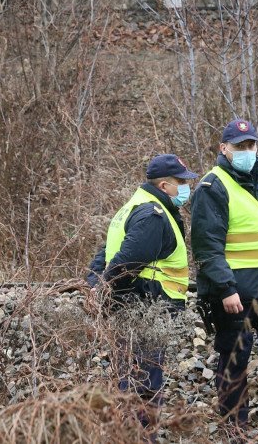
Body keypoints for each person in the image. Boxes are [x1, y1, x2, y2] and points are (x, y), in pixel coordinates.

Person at [189, 118, 258, 436]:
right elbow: (207, 245)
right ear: (224, 148)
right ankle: (235, 430)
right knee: (234, 363)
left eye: (251, 145)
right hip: (235, 294)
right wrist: (225, 287)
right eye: (240, 146)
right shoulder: (213, 185)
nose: (248, 151)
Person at [87, 153, 199, 428]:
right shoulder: (153, 214)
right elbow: (126, 262)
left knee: (132, 383)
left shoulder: (134, 206)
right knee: (143, 388)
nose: (186, 188)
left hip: (134, 309)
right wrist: (102, 291)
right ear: (164, 186)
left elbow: (105, 255)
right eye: (181, 182)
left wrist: (93, 285)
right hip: (145, 310)